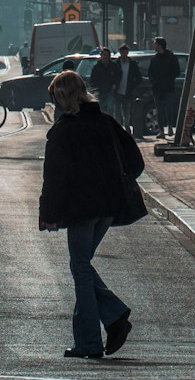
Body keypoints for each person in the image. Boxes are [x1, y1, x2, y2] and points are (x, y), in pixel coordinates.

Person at [39, 70, 142, 360]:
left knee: (81, 270)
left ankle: (93, 341)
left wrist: (48, 214)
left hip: (82, 210)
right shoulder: (106, 122)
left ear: (61, 99)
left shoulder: (64, 130)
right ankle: (111, 319)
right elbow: (135, 162)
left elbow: (55, 178)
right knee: (81, 266)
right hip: (109, 208)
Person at [148, 38, 180, 139]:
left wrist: (169, 79)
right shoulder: (154, 58)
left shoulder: (170, 57)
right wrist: (154, 82)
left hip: (168, 88)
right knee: (159, 110)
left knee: (169, 109)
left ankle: (170, 128)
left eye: (155, 44)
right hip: (157, 89)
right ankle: (161, 131)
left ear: (160, 45)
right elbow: (150, 72)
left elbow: (177, 71)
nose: (154, 46)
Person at [112, 43, 143, 130]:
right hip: (118, 91)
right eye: (122, 52)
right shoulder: (116, 64)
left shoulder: (132, 64)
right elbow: (113, 76)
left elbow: (138, 77)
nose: (124, 54)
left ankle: (127, 126)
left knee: (127, 110)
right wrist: (114, 84)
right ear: (120, 52)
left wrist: (134, 86)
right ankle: (118, 127)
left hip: (128, 91)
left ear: (127, 52)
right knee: (117, 110)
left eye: (125, 52)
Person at [89, 47, 119, 116]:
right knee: (101, 110)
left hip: (110, 91)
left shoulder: (114, 66)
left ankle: (110, 122)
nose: (105, 57)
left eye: (107, 55)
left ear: (109, 57)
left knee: (110, 107)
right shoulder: (96, 67)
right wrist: (95, 90)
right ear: (101, 56)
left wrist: (115, 84)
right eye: (104, 55)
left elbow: (118, 76)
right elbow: (92, 80)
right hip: (100, 92)